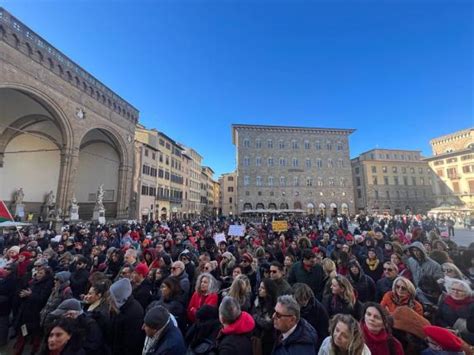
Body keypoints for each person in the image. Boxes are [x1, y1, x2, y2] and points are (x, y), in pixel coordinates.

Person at [109, 278, 145, 355]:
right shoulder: (122, 306)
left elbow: (130, 344)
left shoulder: (134, 313)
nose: (110, 299)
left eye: (112, 297)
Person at [435, 277, 474, 344]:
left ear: (467, 292)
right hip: (448, 336)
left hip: (468, 341)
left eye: (460, 290)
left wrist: (459, 335)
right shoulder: (445, 301)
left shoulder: (472, 305)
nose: (455, 292)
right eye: (453, 289)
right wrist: (446, 327)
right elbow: (438, 318)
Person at [293, 283, 329, 352]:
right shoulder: (293, 307)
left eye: (300, 300)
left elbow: (323, 333)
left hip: (311, 344)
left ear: (307, 298)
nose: (298, 303)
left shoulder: (319, 310)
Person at [253, 278, 278, 355]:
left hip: (268, 339)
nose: (259, 289)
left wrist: (256, 317)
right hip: (257, 337)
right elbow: (252, 314)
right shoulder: (257, 301)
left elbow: (268, 325)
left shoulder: (275, 306)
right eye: (260, 287)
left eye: (263, 288)